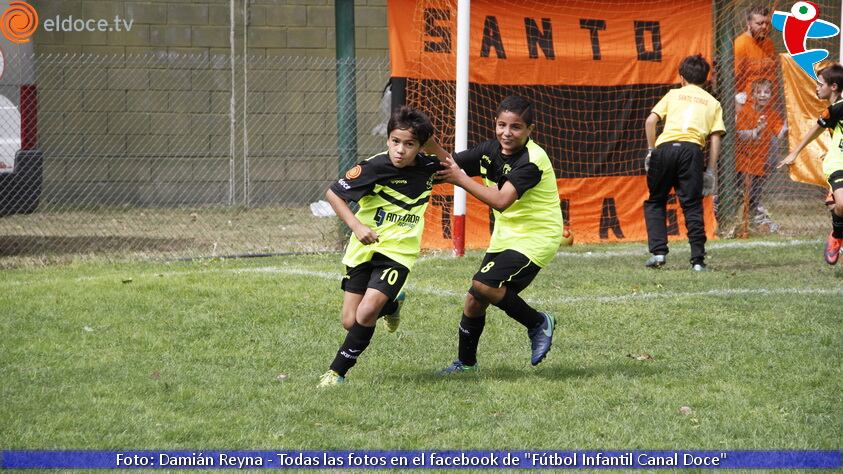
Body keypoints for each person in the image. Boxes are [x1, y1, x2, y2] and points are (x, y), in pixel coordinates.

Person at [427, 95, 563, 374]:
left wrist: (461, 179)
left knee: (483, 285)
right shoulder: (491, 150)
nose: (506, 133)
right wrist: (426, 142)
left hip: (536, 237)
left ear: (529, 130)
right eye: (502, 125)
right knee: (475, 299)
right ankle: (466, 364)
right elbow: (449, 164)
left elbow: (501, 200)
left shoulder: (532, 161)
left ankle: (538, 322)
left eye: (515, 127)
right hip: (506, 235)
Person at [318, 106, 442, 387]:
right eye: (395, 142)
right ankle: (393, 302)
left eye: (409, 144)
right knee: (351, 321)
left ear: (420, 146)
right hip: (363, 250)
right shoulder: (373, 167)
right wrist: (357, 227)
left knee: (365, 313)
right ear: (387, 140)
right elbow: (333, 194)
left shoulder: (428, 167)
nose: (400, 150)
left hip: (398, 253)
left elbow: (453, 164)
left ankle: (336, 372)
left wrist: (433, 145)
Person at [643, 54, 726, 271]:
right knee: (691, 206)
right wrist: (710, 169)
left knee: (656, 201)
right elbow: (715, 137)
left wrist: (651, 151)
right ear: (705, 80)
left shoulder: (673, 94)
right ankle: (697, 261)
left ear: (682, 78)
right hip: (691, 151)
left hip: (665, 149)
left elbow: (651, 121)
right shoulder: (713, 102)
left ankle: (659, 253)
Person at [777, 63, 843, 265]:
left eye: (820, 83)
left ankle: (835, 207)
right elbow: (816, 128)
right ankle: (836, 236)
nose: (816, 87)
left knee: (838, 206)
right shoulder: (836, 109)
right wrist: (795, 153)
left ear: (833, 86)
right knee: (842, 204)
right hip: (838, 162)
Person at [736, 78, 787, 231]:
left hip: (760, 163)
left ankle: (752, 222)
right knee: (743, 192)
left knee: (754, 194)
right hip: (742, 160)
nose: (763, 95)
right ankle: (742, 219)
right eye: (759, 92)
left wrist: (789, 124)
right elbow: (740, 134)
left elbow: (779, 133)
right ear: (752, 94)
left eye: (767, 92)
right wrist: (756, 131)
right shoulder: (745, 110)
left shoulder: (771, 113)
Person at [733, 6, 777, 115]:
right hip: (749, 108)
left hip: (768, 106)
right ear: (749, 24)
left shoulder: (769, 43)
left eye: (767, 24)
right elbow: (734, 79)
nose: (764, 27)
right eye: (759, 23)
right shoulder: (741, 44)